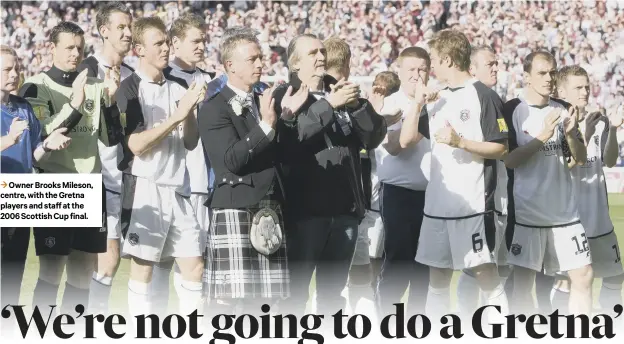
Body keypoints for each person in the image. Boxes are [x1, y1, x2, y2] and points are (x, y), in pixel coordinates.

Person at [400, 30, 510, 324]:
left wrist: (460, 142)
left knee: (485, 273)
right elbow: (406, 139)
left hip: (472, 207)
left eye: (434, 60)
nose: (431, 66)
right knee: (438, 277)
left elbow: (500, 147)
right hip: (436, 208)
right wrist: (418, 103)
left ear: (447, 59)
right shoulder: (437, 98)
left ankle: (505, 331)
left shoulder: (484, 96)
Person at [273, 33, 387, 317]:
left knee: (333, 296)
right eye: (312, 53)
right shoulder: (285, 95)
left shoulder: (341, 91)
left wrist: (359, 107)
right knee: (294, 295)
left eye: (322, 51)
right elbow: (293, 138)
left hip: (344, 211)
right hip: (304, 213)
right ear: (295, 63)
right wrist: (329, 105)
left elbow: (372, 138)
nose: (321, 57)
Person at [198, 27, 307, 315]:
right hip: (235, 207)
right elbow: (231, 161)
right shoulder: (213, 107)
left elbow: (280, 153)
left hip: (269, 206)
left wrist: (287, 120)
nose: (261, 63)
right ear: (230, 65)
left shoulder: (264, 99)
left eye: (261, 58)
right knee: (229, 302)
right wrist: (267, 125)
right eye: (253, 59)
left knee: (268, 302)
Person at [18, 21, 122, 314]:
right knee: (52, 268)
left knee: (82, 272)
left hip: (91, 185)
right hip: (54, 185)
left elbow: (111, 138)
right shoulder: (35, 86)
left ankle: (73, 332)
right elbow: (44, 136)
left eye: (80, 48)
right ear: (51, 48)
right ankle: (41, 331)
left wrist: (111, 102)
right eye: (69, 48)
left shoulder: (94, 85)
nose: (76, 54)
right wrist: (76, 103)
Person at [115, 16, 206, 318]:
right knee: (144, 269)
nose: (166, 48)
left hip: (177, 188)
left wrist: (190, 112)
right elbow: (137, 145)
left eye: (167, 42)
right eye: (159, 44)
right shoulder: (129, 89)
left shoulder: (179, 86)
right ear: (139, 49)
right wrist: (177, 117)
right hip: (145, 189)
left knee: (195, 264)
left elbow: (191, 142)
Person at [503, 51, 593, 315]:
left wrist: (570, 135)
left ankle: (584, 334)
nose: (549, 78)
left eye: (552, 72)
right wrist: (542, 136)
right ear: (527, 76)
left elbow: (579, 158)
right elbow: (509, 161)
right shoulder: (511, 109)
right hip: (527, 214)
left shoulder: (563, 109)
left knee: (583, 276)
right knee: (523, 284)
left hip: (565, 213)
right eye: (542, 73)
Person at [148, 12, 216, 317]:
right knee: (161, 261)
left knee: (195, 262)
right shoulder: (162, 77)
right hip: (170, 180)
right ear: (175, 42)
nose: (201, 45)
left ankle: (192, 325)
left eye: (204, 39)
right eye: (195, 40)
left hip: (204, 181)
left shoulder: (211, 80)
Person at [1, 44, 71, 336]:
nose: (15, 74)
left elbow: (31, 156)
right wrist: (7, 140)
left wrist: (47, 145)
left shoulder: (23, 108)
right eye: (7, 69)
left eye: (16, 67)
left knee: (12, 278)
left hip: (19, 201)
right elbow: (11, 143)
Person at [549, 65, 624, 316]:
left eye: (587, 87)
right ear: (562, 91)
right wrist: (584, 135)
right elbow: (559, 168)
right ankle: (559, 326)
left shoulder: (599, 119)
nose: (585, 92)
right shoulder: (554, 121)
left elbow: (610, 160)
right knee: (568, 281)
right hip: (571, 221)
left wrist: (612, 129)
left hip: (600, 221)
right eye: (578, 88)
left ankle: (608, 326)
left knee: (615, 277)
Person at [76, 2, 134, 316]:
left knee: (110, 258)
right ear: (104, 31)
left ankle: (87, 319)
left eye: (130, 27)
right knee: (101, 257)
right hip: (94, 178)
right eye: (121, 27)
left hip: (123, 176)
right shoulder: (87, 69)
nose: (128, 32)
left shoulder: (134, 75)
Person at [374, 47, 432, 319]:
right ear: (399, 71)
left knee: (425, 267)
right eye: (411, 69)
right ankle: (386, 323)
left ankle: (419, 325)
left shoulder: (438, 102)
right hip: (397, 192)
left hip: (432, 194)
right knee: (398, 264)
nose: (416, 75)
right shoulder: (390, 105)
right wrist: (419, 113)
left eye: (422, 69)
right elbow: (397, 146)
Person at [458, 45, 511, 317]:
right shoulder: (486, 96)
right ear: (472, 68)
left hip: (478, 196)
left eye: (496, 63)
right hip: (488, 197)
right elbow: (502, 147)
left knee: (476, 266)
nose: (495, 68)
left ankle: (467, 324)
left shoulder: (469, 96)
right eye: (489, 63)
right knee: (488, 269)